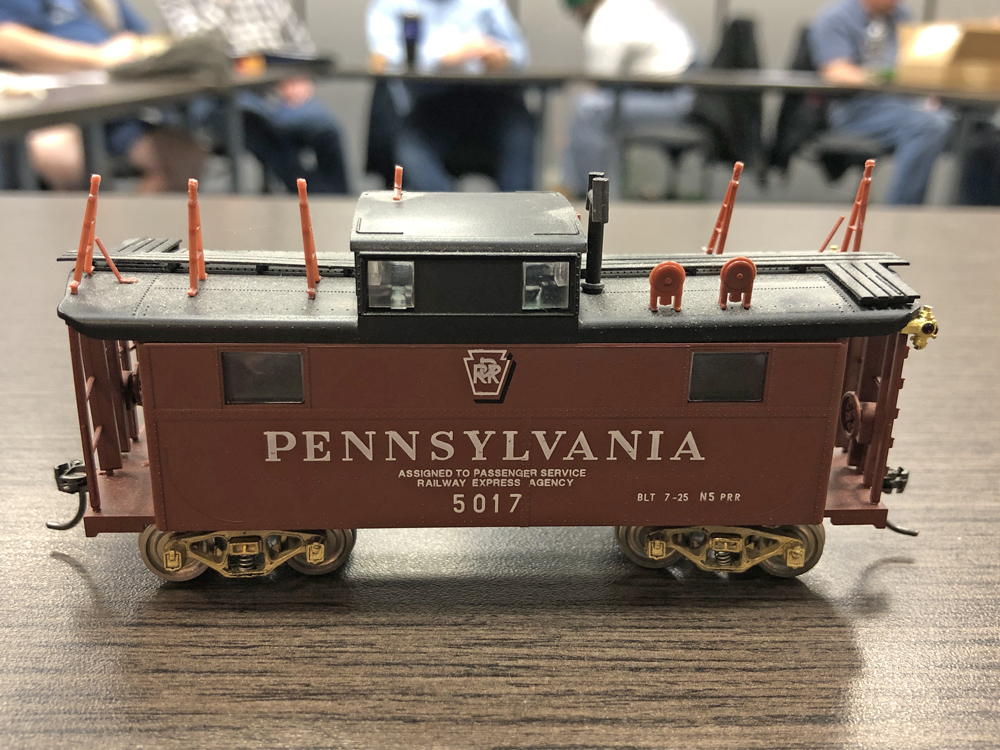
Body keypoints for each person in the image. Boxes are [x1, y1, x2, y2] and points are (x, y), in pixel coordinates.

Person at [0, 0, 205, 192]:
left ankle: (125, 219)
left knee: (184, 158)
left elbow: (138, 36)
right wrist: (98, 57)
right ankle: (94, 217)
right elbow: (6, 39)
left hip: (107, 108)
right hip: (44, 112)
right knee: (66, 160)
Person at [157, 0, 349, 194]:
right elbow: (199, 47)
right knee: (258, 128)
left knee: (326, 130)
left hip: (277, 87)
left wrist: (301, 74)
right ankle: (318, 200)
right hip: (219, 93)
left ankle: (339, 202)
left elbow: (300, 44)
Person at [366, 0, 534, 192]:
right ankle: (444, 209)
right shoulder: (391, 4)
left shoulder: (487, 3)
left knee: (520, 135)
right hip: (429, 109)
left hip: (490, 104)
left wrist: (504, 58)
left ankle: (515, 210)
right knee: (411, 148)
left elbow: (520, 55)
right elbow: (384, 58)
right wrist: (442, 58)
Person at [809, 0, 953, 205]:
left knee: (961, 125)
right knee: (930, 125)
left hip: (900, 104)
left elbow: (913, 62)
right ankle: (900, 212)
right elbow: (836, 72)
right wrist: (885, 77)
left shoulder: (901, 16)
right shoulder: (836, 18)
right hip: (855, 109)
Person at [561, 0, 697, 197]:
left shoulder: (604, 20)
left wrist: (570, 137)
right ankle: (595, 193)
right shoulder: (631, 4)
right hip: (684, 92)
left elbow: (599, 81)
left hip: (678, 99)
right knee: (595, 112)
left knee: (588, 111)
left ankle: (590, 198)